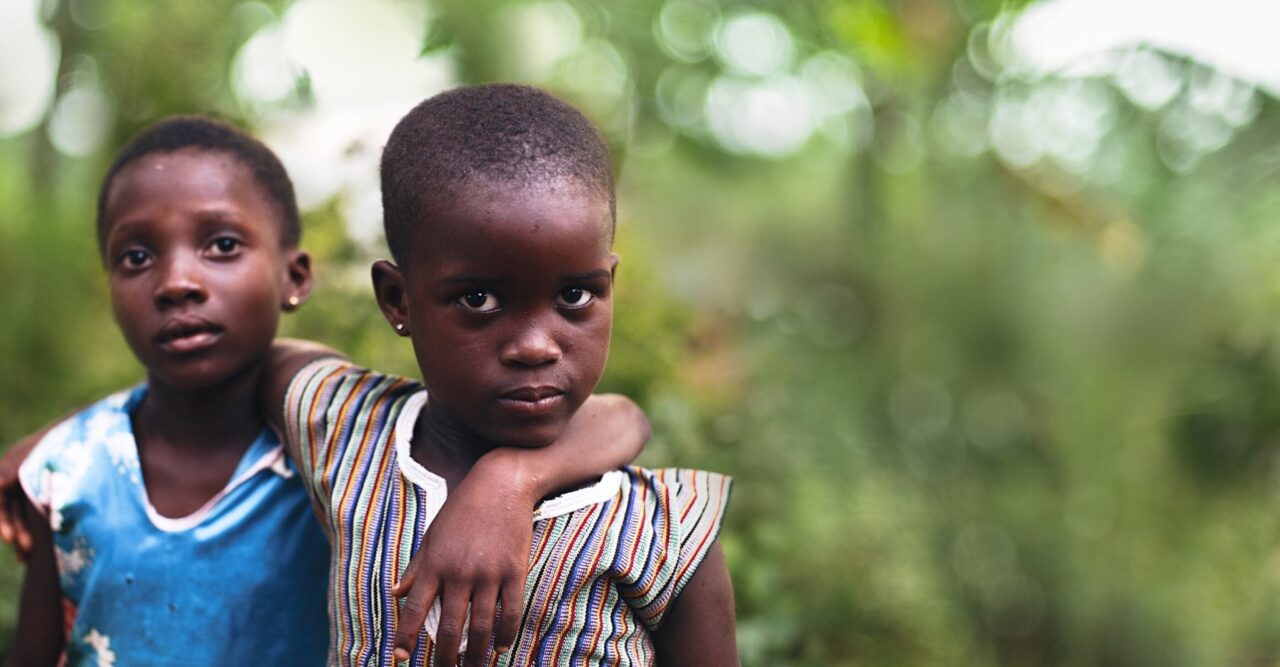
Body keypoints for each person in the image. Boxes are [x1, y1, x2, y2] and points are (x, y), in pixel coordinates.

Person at [2, 115, 649, 665]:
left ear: (295, 276)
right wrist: (65, 437)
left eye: (221, 244)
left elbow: (618, 418)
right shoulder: (70, 471)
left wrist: (510, 480)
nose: (177, 282)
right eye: (137, 257)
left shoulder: (337, 443)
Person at [262, 83, 739, 667]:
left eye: (574, 295)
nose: (536, 347)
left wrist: (511, 480)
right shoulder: (348, 432)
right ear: (397, 300)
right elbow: (258, 360)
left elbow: (630, 418)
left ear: (609, 285)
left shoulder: (666, 535)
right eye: (479, 299)